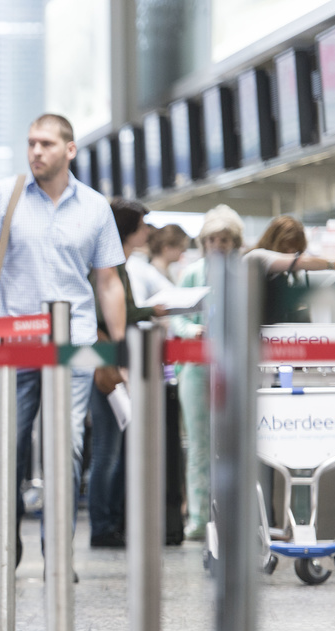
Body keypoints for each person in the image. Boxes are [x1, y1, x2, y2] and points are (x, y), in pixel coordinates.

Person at [0, 114, 127, 569]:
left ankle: (58, 552)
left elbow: (108, 282)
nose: (36, 151)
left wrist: (121, 348)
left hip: (75, 346)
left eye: (47, 144)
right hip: (15, 346)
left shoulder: (94, 207)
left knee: (67, 446)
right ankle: (8, 541)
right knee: (9, 446)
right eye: (31, 143)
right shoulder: (6, 196)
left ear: (69, 150)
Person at [88, 199, 161, 548]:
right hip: (105, 361)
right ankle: (102, 525)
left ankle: (112, 521)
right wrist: (152, 309)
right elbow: (113, 312)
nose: (147, 231)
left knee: (114, 445)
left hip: (115, 358)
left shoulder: (121, 265)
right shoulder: (108, 265)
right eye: (143, 224)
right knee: (107, 448)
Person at [172, 206, 243, 540]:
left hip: (233, 369)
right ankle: (199, 518)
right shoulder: (192, 273)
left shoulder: (243, 274)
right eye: (212, 239)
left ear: (235, 241)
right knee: (199, 446)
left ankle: (234, 517)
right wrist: (191, 332)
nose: (218, 244)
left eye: (224, 239)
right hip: (196, 369)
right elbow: (177, 318)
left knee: (234, 444)